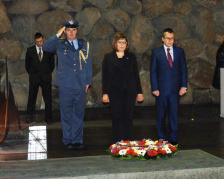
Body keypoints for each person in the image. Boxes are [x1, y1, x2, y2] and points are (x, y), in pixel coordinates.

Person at [42, 20, 92, 150]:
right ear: (65, 31)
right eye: (68, 30)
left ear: (77, 30)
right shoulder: (59, 43)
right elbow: (46, 47)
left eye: (74, 30)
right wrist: (57, 34)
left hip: (80, 83)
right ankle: (68, 140)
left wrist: (88, 82)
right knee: (66, 113)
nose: (71, 32)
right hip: (65, 84)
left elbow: (88, 64)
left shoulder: (84, 44)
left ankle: (77, 140)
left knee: (78, 114)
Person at [102, 33, 144, 142]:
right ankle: (117, 142)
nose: (122, 44)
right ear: (115, 44)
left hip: (130, 92)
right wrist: (105, 93)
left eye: (124, 42)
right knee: (116, 118)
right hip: (114, 92)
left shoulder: (131, 57)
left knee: (128, 118)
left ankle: (127, 142)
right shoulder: (108, 57)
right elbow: (105, 77)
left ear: (127, 44)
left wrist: (139, 92)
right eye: (120, 42)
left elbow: (135, 75)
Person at [150, 28, 187, 146]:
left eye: (172, 38)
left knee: (174, 114)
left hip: (175, 90)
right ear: (163, 39)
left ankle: (173, 138)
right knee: (160, 115)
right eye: (167, 38)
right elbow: (153, 71)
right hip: (161, 90)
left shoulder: (179, 51)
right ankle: (161, 137)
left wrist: (184, 86)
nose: (170, 40)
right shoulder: (156, 52)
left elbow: (183, 70)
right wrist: (154, 88)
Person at [25, 33, 55, 125]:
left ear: (43, 40)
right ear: (35, 41)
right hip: (34, 77)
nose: (39, 43)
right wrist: (33, 74)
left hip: (46, 78)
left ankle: (48, 118)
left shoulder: (48, 50)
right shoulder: (30, 50)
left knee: (48, 99)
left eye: (41, 41)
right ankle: (29, 117)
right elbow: (27, 65)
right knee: (31, 98)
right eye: (37, 42)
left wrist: (47, 73)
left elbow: (52, 64)